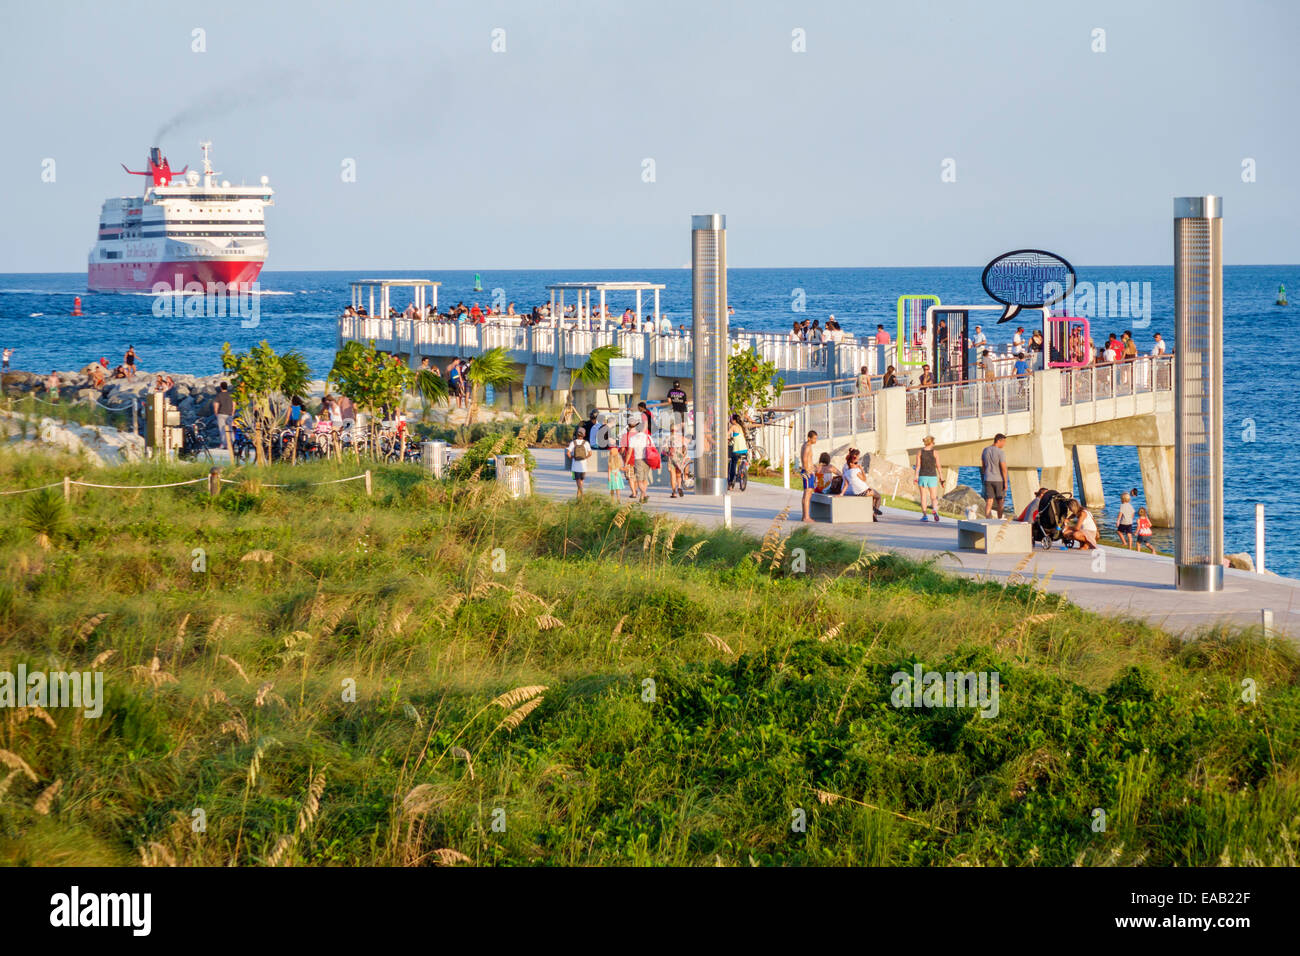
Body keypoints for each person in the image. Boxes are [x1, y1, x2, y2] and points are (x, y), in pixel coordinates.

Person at [838, 448, 882, 519]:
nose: (858, 460)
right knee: (878, 496)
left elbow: (849, 482)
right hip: (860, 492)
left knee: (871, 492)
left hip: (848, 490)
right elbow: (864, 479)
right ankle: (874, 514)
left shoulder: (845, 469)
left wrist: (841, 494)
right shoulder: (856, 469)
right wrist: (862, 469)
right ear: (854, 458)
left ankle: (873, 508)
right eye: (858, 457)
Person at [914, 435, 943, 523]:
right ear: (931, 443)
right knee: (933, 497)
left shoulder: (920, 452)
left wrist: (916, 476)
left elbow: (918, 466)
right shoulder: (935, 452)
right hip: (932, 476)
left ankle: (925, 516)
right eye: (933, 443)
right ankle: (934, 510)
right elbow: (938, 466)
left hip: (922, 476)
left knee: (923, 497)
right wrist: (941, 477)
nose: (934, 444)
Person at [623, 420, 654, 503]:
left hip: (638, 460)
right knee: (645, 479)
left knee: (639, 480)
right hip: (647, 460)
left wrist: (626, 462)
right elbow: (653, 448)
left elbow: (629, 452)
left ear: (637, 429)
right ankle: (642, 496)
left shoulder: (633, 438)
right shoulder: (648, 437)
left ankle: (644, 493)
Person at [981, 433, 1008, 518]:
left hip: (988, 479)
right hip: (998, 480)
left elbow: (983, 466)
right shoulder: (1000, 452)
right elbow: (1003, 468)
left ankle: (988, 519)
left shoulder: (985, 450)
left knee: (989, 501)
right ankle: (999, 520)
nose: (1004, 444)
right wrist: (1006, 482)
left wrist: (986, 474)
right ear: (999, 440)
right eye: (1003, 442)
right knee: (1000, 501)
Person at [567, 426, 592, 498]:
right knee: (581, 481)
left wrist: (573, 458)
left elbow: (568, 453)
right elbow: (590, 453)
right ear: (584, 435)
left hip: (575, 466)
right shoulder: (586, 443)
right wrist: (584, 457)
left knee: (577, 481)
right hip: (583, 466)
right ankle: (578, 496)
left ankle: (582, 494)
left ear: (577, 434)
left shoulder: (573, 443)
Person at [666, 422, 689, 498]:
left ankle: (674, 492)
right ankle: (679, 487)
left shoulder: (668, 438)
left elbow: (664, 450)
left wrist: (668, 452)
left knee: (672, 475)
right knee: (678, 475)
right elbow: (685, 448)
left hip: (672, 458)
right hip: (680, 458)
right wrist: (683, 454)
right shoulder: (681, 438)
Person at [799, 429, 818, 522]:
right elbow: (805, 459)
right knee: (807, 495)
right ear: (809, 438)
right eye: (814, 438)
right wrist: (808, 471)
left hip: (808, 472)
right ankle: (806, 517)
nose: (815, 440)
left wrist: (814, 467)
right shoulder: (807, 447)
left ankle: (805, 516)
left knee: (807, 494)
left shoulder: (806, 445)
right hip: (807, 473)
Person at [727, 413, 748, 489]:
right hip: (744, 449)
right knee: (743, 460)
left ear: (734, 420)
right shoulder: (742, 427)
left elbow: (727, 435)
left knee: (733, 464)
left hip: (737, 449)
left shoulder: (733, 427)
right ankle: (743, 471)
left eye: (731, 419)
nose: (730, 420)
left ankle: (730, 483)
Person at [214, 382, 235, 454]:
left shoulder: (219, 395)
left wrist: (216, 412)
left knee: (222, 429)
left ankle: (224, 444)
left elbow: (216, 404)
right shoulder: (231, 395)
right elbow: (234, 403)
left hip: (221, 413)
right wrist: (233, 412)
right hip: (229, 414)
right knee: (230, 429)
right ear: (227, 387)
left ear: (221, 387)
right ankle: (232, 443)